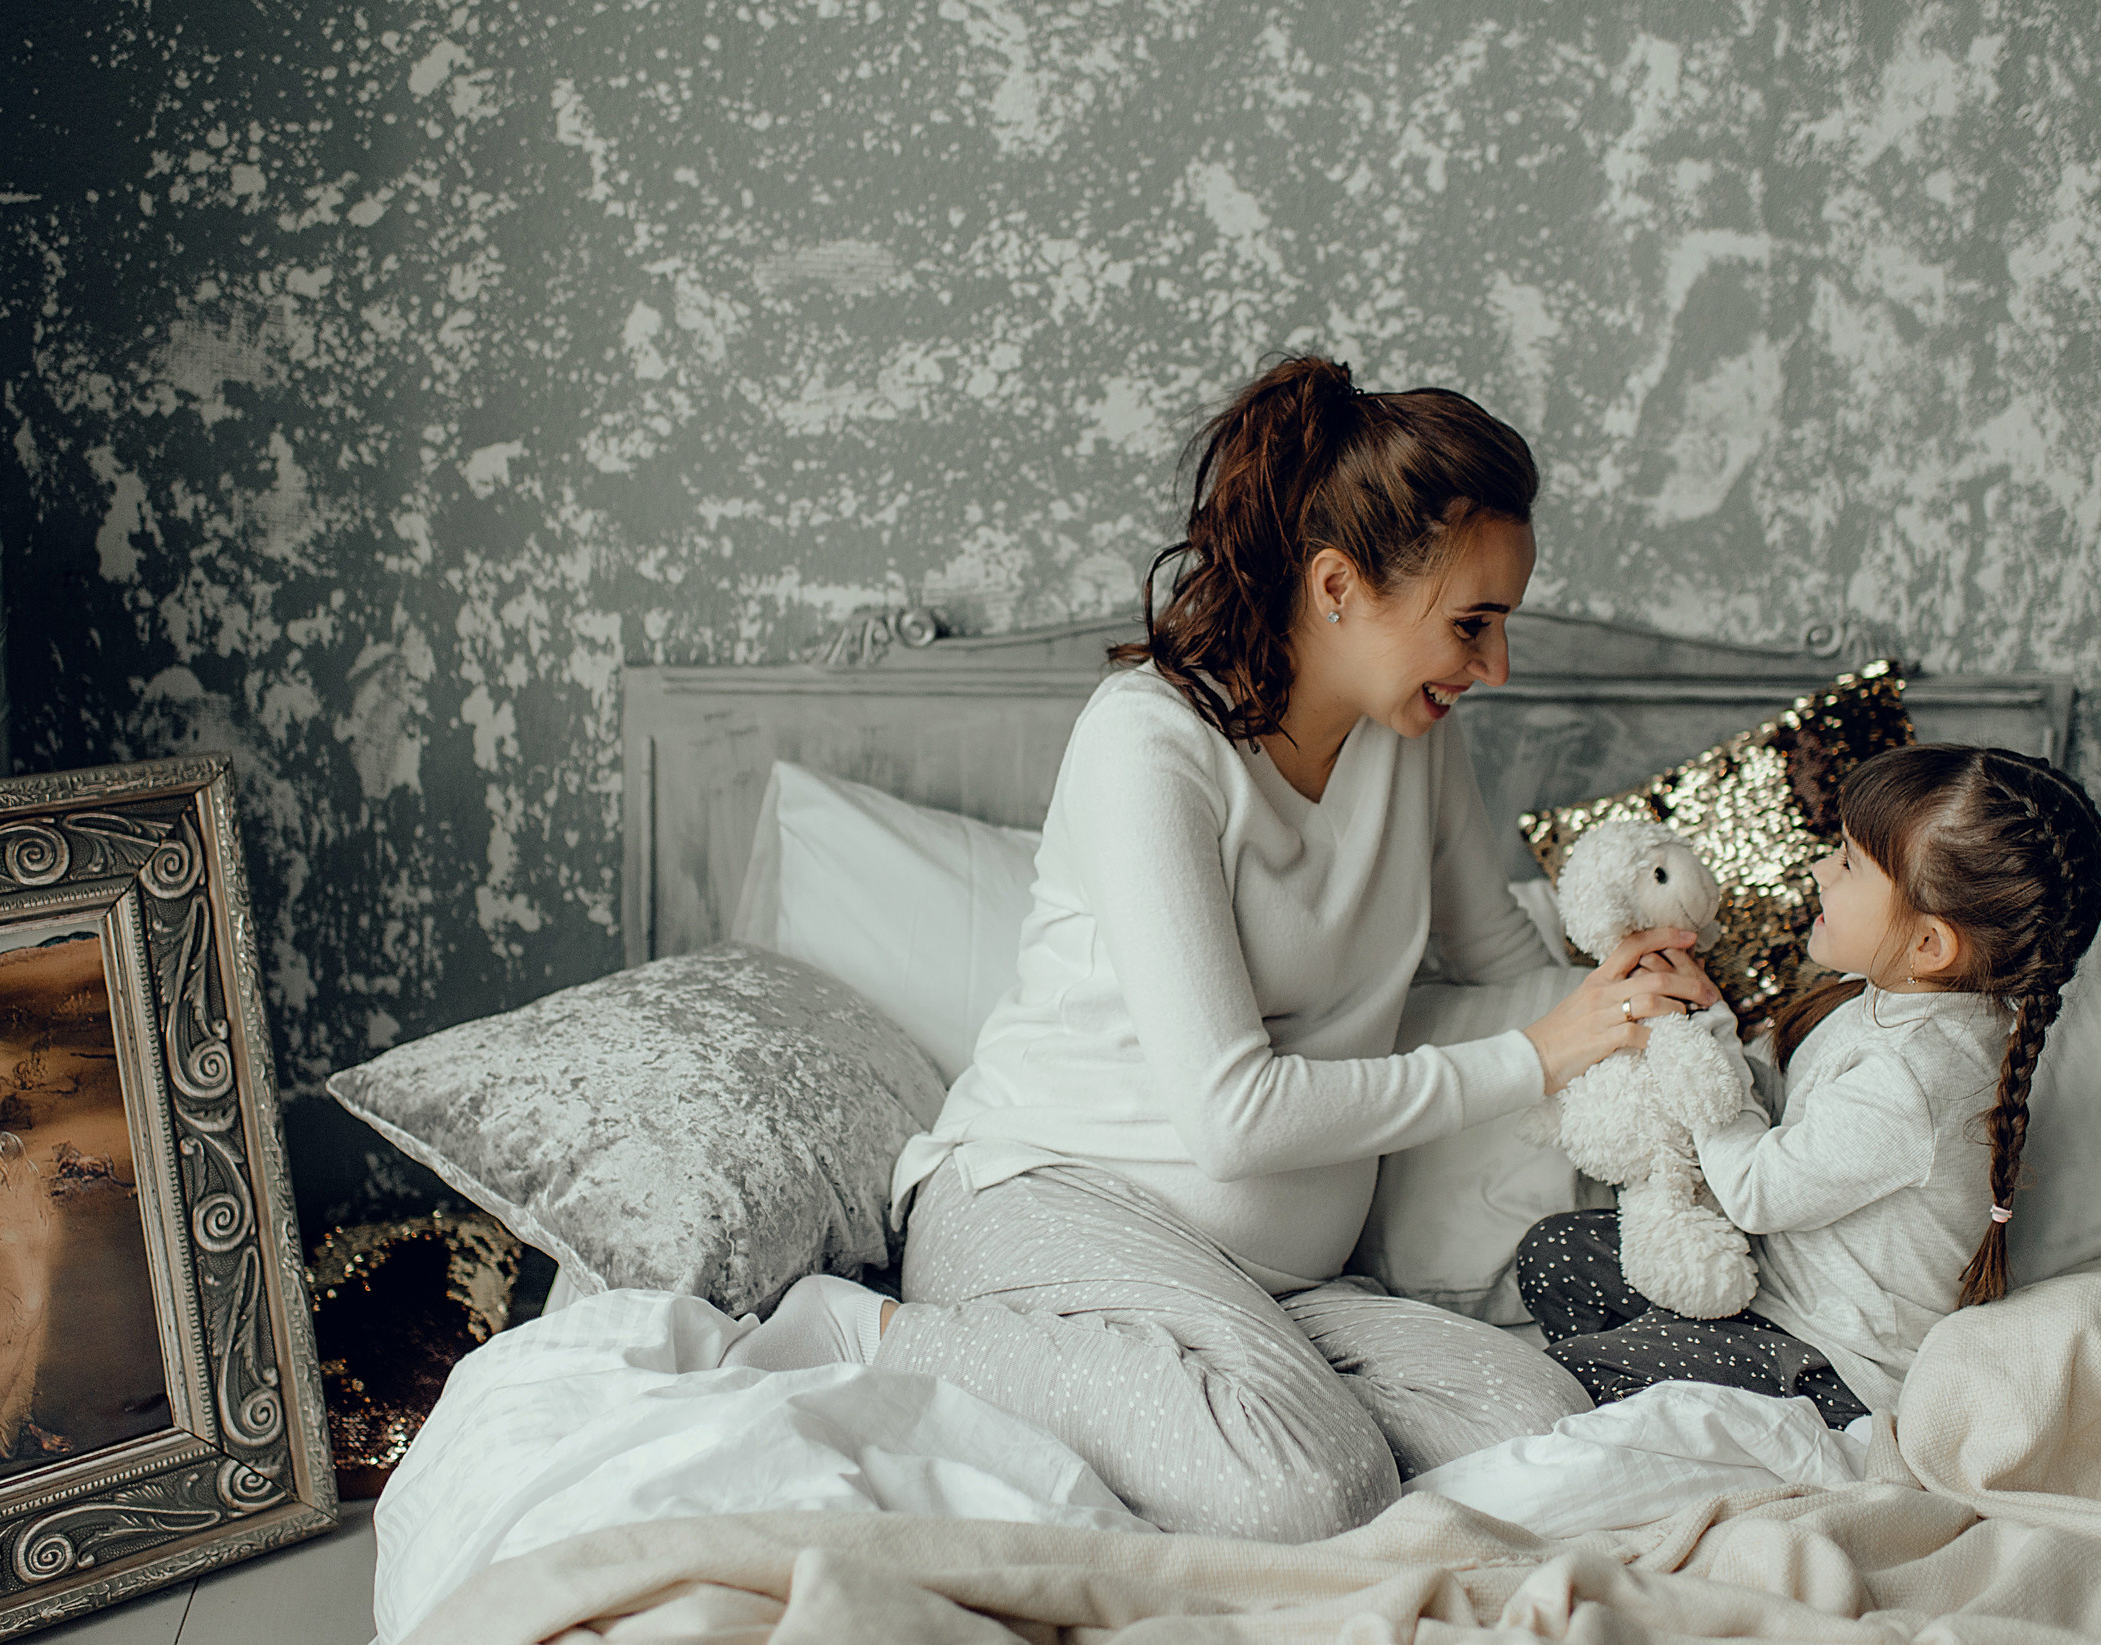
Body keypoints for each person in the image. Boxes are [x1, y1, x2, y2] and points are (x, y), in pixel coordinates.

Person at [722, 353, 1719, 1539]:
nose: (1493, 666)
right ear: (1339, 586)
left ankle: (1248, 1382)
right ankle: (871, 1330)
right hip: (1048, 1200)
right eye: (1472, 623)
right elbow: (1231, 1116)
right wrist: (1539, 1052)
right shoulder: (1150, 744)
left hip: (1279, 1283)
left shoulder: (1413, 737)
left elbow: (1500, 966)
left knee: (1532, 1423)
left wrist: (1644, 1001)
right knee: (1309, 1486)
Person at [1517, 743, 2101, 1427]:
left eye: (1849, 863)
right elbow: (1793, 1116)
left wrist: (1701, 1050)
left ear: (1929, 944)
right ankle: (1661, 1368)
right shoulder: (1885, 997)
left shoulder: (1917, 1077)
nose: (1818, 868)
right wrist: (1705, 1011)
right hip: (1772, 1283)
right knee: (1554, 1252)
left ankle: (1665, 1398)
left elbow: (1754, 1189)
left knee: (1564, 1380)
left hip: (1829, 1361)